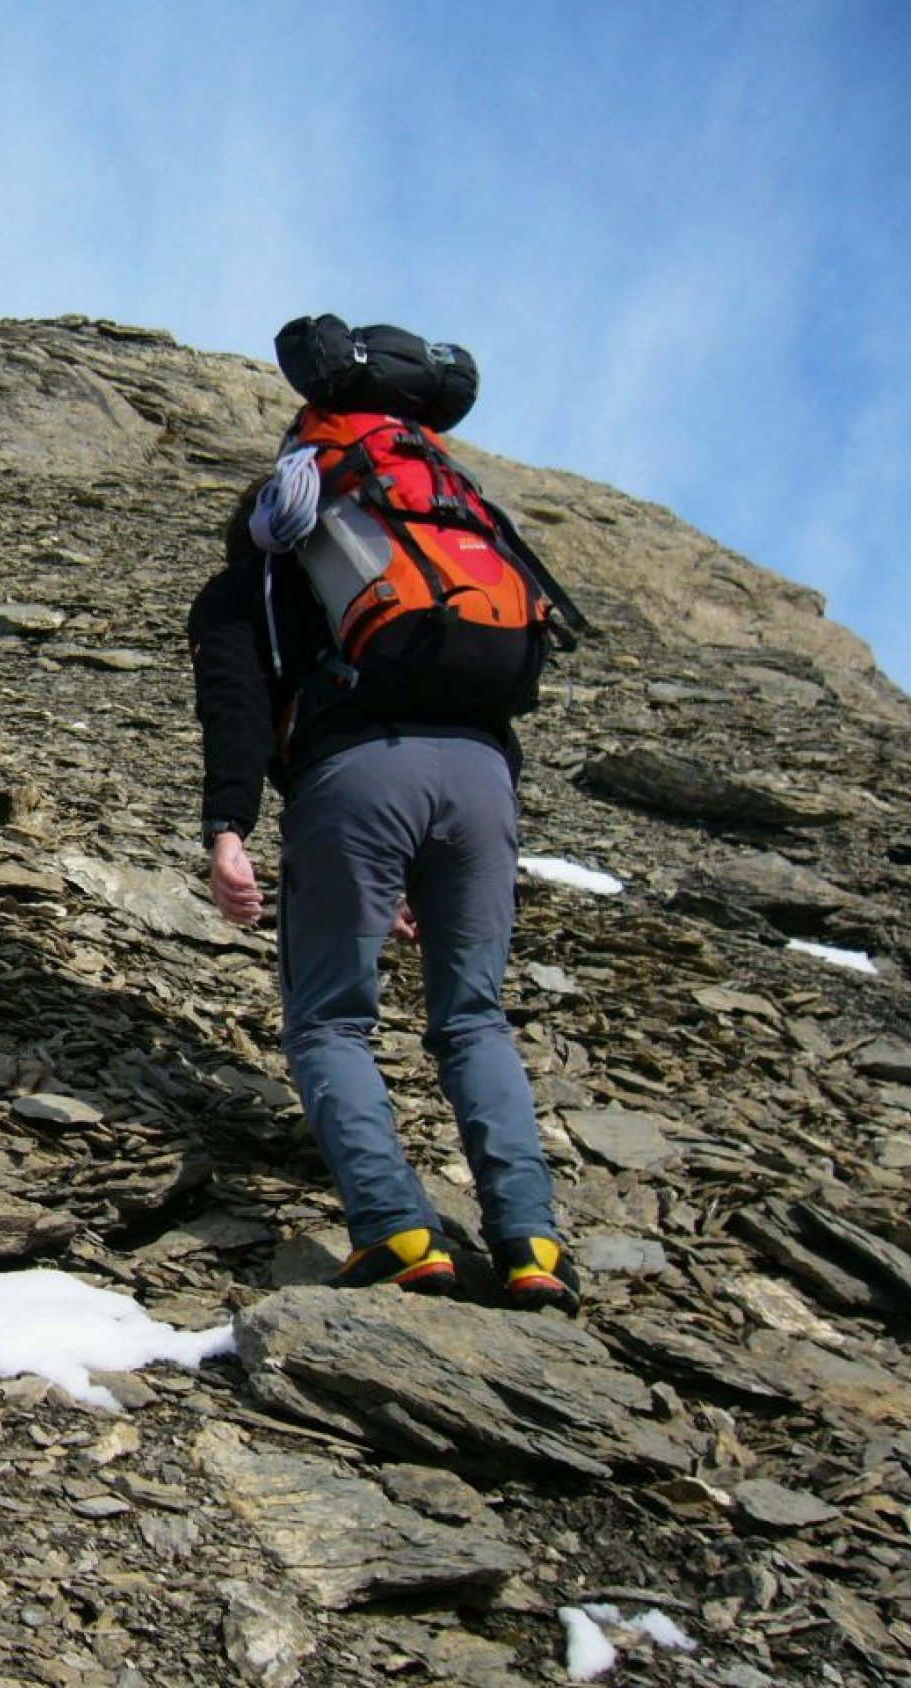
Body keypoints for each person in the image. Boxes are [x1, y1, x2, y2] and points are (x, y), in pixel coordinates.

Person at [186, 457, 581, 1313]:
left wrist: (228, 829)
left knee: (330, 1020)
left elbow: (236, 705)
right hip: (482, 783)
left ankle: (396, 1231)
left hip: (355, 781)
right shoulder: (424, 576)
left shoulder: (249, 587)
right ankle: (533, 1245)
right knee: (475, 1018)